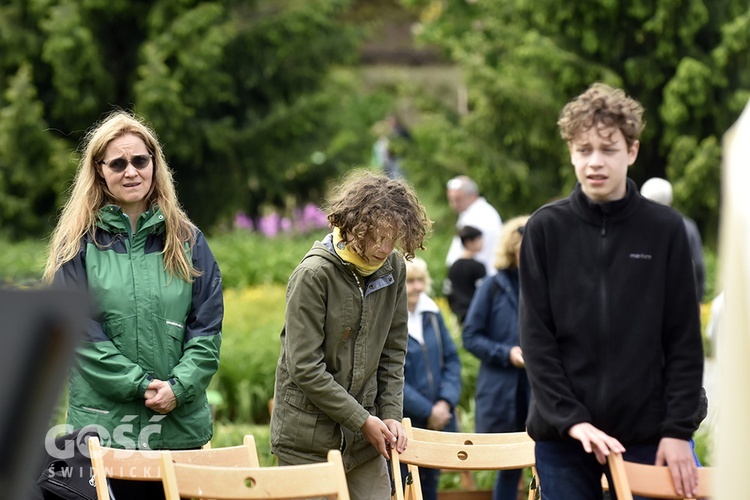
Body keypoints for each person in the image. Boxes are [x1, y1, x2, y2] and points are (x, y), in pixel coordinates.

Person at [519, 83, 704, 499]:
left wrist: (677, 431)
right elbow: (537, 340)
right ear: (571, 153)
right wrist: (573, 421)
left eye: (608, 148)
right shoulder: (545, 229)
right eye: (584, 150)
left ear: (632, 151)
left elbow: (684, 341)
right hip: (565, 437)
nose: (595, 162)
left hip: (650, 436)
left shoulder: (666, 230)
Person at [43, 110, 223, 498]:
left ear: (154, 165)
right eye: (118, 163)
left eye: (140, 160)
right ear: (100, 171)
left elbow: (206, 331)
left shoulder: (189, 241)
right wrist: (141, 387)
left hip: (178, 426)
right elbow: (81, 335)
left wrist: (179, 387)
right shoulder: (77, 246)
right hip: (106, 429)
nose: (131, 171)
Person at [270, 169, 432, 499]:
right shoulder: (313, 275)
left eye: (394, 238)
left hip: (363, 443)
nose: (385, 248)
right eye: (378, 237)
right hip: (307, 442)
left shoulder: (394, 268)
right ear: (354, 227)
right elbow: (304, 368)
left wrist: (389, 414)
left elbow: (393, 350)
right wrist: (363, 420)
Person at [462, 215, 530, 500]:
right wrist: (507, 353)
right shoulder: (492, 286)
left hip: (538, 389)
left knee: (546, 461)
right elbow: (471, 336)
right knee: (508, 466)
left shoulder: (545, 286)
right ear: (511, 247)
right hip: (503, 389)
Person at [402, 257, 462, 500]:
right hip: (407, 421)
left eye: (420, 281)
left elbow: (452, 360)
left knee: (430, 488)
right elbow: (390, 377)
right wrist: (428, 410)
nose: (417, 287)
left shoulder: (432, 315)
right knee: (406, 486)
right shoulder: (390, 320)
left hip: (437, 420)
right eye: (410, 281)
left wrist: (445, 402)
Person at [640, 177, 706, 302]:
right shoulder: (687, 226)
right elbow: (698, 265)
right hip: (678, 301)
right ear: (670, 200)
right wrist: (698, 299)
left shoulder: (634, 226)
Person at [445, 175, 502, 276]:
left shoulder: (480, 215)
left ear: (472, 195)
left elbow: (475, 252)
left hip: (478, 278)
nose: (453, 205)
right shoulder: (470, 212)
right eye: (451, 200)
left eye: (458, 199)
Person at [444, 225, 487, 324]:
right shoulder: (478, 266)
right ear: (469, 243)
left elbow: (448, 290)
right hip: (476, 314)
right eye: (479, 239)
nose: (482, 243)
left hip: (458, 313)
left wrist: (454, 309)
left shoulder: (454, 265)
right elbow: (484, 292)